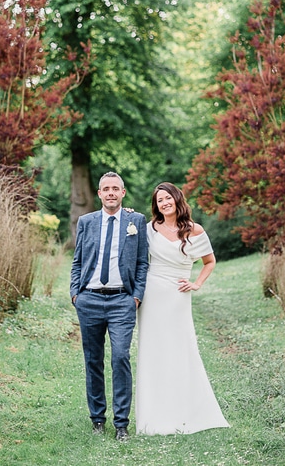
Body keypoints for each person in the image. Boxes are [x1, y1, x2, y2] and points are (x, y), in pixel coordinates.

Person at [135, 182, 229, 435]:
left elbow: (209, 262)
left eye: (168, 198)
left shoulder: (194, 230)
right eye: (159, 200)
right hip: (152, 294)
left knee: (180, 349)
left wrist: (196, 283)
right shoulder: (149, 229)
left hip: (177, 295)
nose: (164, 203)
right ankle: (152, 418)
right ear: (156, 205)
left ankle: (186, 411)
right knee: (152, 351)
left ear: (177, 199)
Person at [70, 171, 149, 442]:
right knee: (93, 360)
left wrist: (135, 296)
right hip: (89, 299)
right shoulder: (86, 221)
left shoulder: (136, 221)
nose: (111, 192)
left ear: (123, 193)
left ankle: (122, 423)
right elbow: (77, 259)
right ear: (100, 193)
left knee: (120, 357)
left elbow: (142, 262)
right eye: (107, 188)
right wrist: (75, 294)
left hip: (121, 301)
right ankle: (97, 419)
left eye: (116, 188)